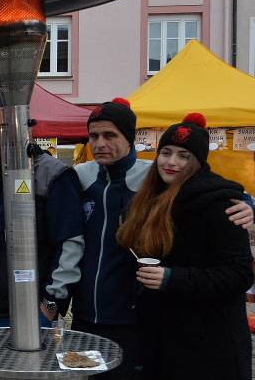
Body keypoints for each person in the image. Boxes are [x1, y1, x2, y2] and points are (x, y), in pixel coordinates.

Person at [72, 98, 253, 379]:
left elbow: (240, 273)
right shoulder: (151, 194)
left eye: (183, 156)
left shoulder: (221, 204)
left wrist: (249, 204)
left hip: (205, 340)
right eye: (166, 153)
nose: (171, 162)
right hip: (156, 330)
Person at [0, 121, 84, 328]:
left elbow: (70, 245)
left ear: (7, 151)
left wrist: (50, 306)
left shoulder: (52, 177)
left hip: (30, 314)